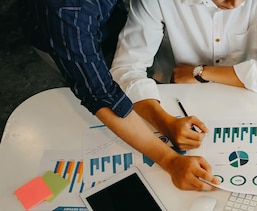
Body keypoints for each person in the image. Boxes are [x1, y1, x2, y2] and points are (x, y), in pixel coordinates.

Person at [23, 0, 220, 191]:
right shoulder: (68, 13)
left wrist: (163, 121)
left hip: (106, 20)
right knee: (88, 92)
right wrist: (170, 160)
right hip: (63, 33)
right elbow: (102, 96)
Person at [110, 0, 257, 147]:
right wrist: (164, 123)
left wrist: (200, 73)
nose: (234, 4)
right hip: (173, 96)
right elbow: (126, 69)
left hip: (244, 95)